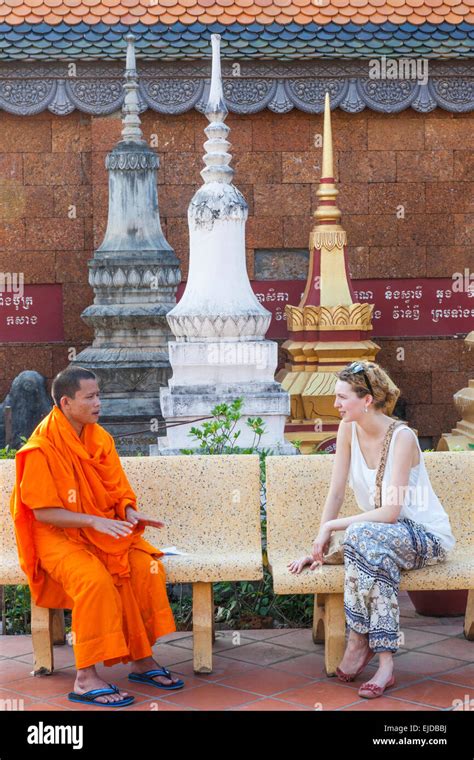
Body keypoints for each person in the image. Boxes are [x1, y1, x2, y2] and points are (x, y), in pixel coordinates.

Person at [10, 366, 184, 707]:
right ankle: (85, 676)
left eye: (98, 395)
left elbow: (117, 491)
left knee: (145, 568)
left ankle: (142, 657)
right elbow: (43, 512)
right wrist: (92, 522)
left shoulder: (98, 438)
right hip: (57, 538)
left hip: (101, 532)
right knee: (94, 582)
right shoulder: (41, 448)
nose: (98, 402)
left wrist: (130, 513)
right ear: (66, 402)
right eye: (90, 397)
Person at [288, 360, 455, 699]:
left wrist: (334, 527)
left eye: (341, 397)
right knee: (372, 552)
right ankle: (385, 662)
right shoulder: (348, 429)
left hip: (424, 535)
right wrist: (321, 541)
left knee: (361, 537)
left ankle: (358, 638)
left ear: (367, 400)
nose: (335, 405)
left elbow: (391, 512)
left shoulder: (403, 437)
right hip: (380, 540)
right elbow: (336, 491)